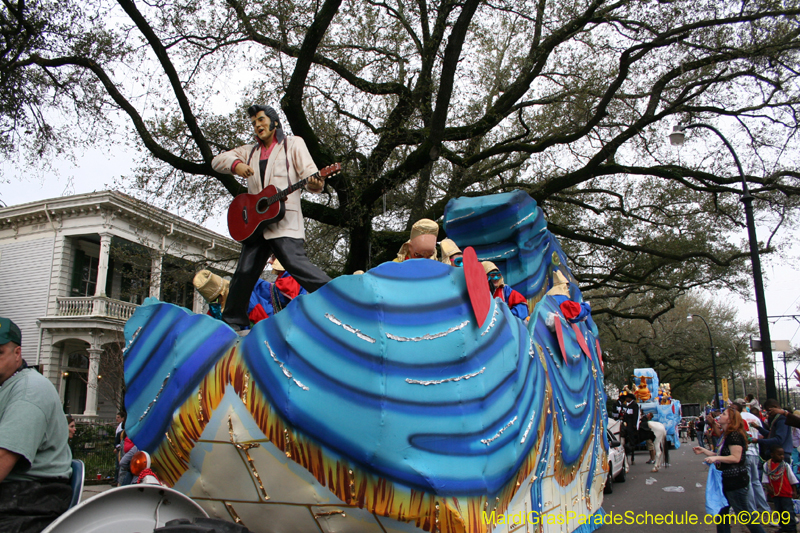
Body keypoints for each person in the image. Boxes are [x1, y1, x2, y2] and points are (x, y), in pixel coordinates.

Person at [212, 104, 331, 330]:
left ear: (274, 122)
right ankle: (233, 322)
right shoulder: (249, 152)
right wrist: (236, 165)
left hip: (284, 220)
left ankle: (339, 296)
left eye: (261, 119)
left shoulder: (293, 143)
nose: (258, 125)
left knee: (296, 264)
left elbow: (310, 174)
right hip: (255, 224)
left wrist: (316, 183)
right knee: (245, 271)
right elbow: (216, 161)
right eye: (254, 122)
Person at [0, 317, 73, 533]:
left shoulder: (28, 391)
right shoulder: (7, 388)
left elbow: (3, 459)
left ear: (17, 353)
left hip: (35, 497)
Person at [694, 407, 767, 533]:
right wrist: (705, 452)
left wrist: (716, 457)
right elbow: (722, 454)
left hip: (735, 481)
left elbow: (735, 457)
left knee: (745, 516)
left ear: (730, 419)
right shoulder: (726, 435)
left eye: (723, 414)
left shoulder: (734, 435)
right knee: (722, 514)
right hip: (726, 480)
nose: (720, 416)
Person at [763, 446, 799, 532]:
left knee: (788, 511)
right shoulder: (767, 466)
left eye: (782, 455)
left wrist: (794, 491)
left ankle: (791, 528)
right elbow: (765, 479)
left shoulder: (785, 466)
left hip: (786, 492)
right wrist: (769, 487)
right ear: (772, 455)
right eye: (779, 455)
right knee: (779, 510)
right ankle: (783, 527)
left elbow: (792, 479)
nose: (782, 456)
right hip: (775, 492)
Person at [757, 399, 794, 464]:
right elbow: (771, 435)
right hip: (779, 453)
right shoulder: (778, 418)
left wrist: (758, 441)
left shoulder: (781, 419)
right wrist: (758, 428)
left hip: (780, 455)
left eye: (769, 411)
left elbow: (779, 439)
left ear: (774, 407)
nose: (768, 414)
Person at [620, 392, 640, 465]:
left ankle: (631, 445)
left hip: (631, 423)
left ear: (630, 398)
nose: (626, 399)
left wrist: (634, 424)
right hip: (627, 421)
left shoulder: (634, 405)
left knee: (629, 431)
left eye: (627, 398)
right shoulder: (628, 405)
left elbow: (635, 415)